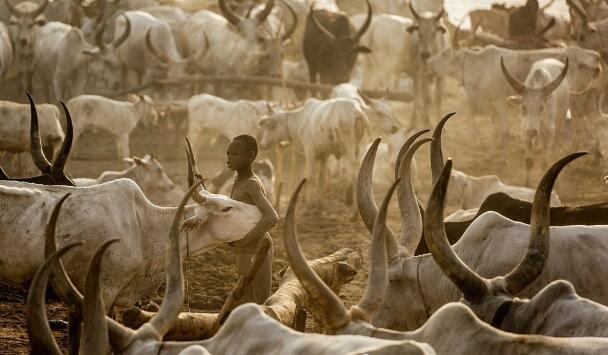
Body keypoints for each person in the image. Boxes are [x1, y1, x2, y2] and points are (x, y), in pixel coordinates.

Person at [226, 134, 279, 304]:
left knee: (260, 301)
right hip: (246, 247)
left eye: (234, 154)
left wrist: (244, 240)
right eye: (228, 153)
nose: (229, 158)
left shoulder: (251, 183)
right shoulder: (238, 180)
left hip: (259, 246)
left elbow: (272, 217)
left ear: (250, 156)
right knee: (245, 299)